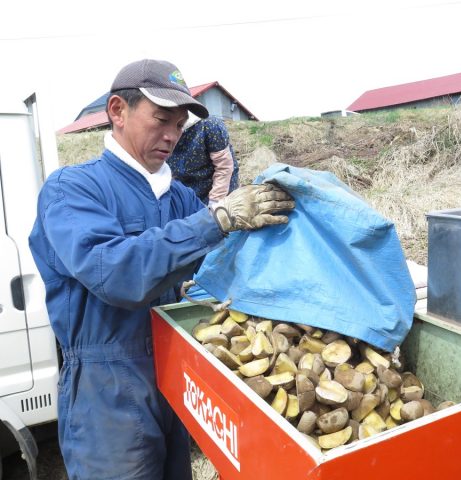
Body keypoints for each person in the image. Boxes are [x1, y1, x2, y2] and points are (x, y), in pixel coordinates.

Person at [28, 59, 294, 480]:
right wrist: (217, 220)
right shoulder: (73, 189)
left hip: (176, 381)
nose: (172, 136)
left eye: (180, 125)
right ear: (118, 111)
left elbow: (225, 271)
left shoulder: (181, 198)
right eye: (161, 119)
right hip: (108, 392)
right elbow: (116, 274)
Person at [167, 114, 240, 205]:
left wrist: (215, 203)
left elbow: (224, 168)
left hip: (216, 186)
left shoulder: (210, 126)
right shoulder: (160, 131)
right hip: (187, 187)